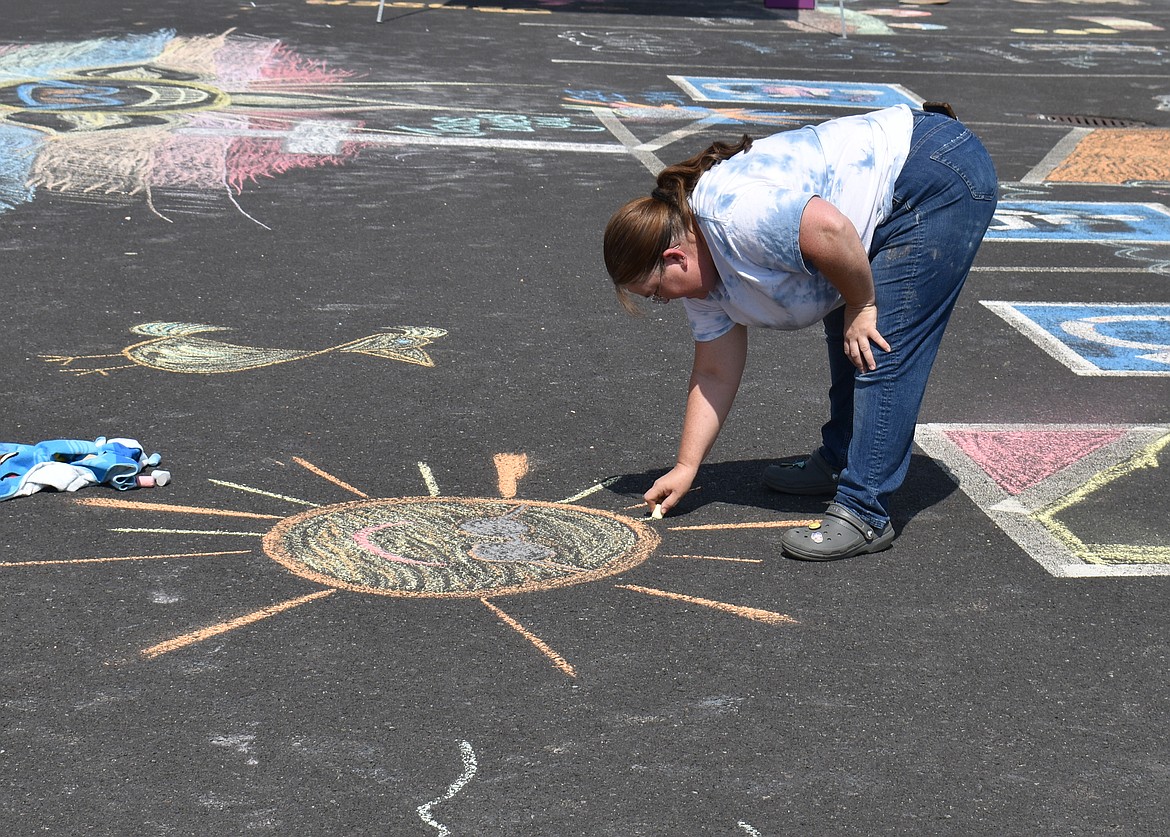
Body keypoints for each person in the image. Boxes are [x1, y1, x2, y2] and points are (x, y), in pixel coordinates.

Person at [603, 103, 997, 561]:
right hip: (890, 191)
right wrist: (686, 466)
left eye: (655, 292)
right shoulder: (701, 280)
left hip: (931, 172)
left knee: (879, 340)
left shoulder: (733, 217)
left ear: (674, 258)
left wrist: (863, 304)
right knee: (849, 319)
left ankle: (864, 511)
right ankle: (843, 458)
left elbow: (829, 229)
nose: (663, 301)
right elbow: (714, 372)